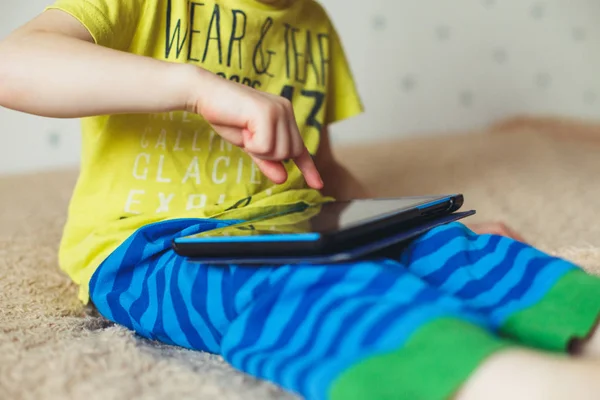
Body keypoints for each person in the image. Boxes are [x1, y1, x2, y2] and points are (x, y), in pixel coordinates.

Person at [1, 1, 600, 398]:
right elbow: (13, 63)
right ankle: (511, 382)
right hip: (150, 245)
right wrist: (191, 87)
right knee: (306, 291)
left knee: (456, 247)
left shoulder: (312, 21)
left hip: (294, 220)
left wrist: (398, 226)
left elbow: (325, 168)